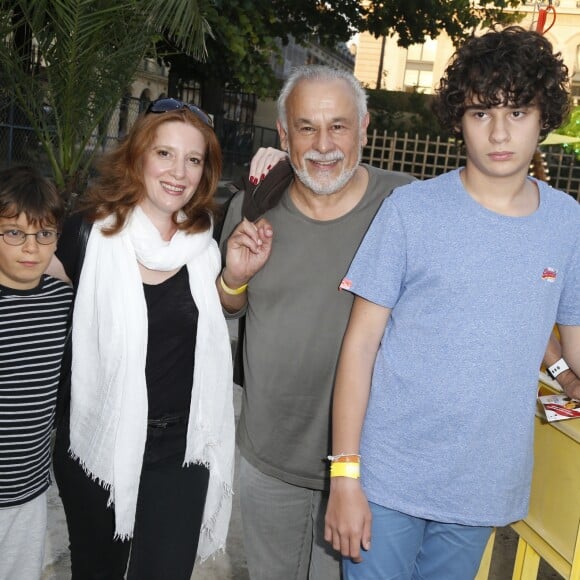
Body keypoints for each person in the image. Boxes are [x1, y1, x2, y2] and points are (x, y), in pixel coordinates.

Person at [324, 26, 580, 579]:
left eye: (518, 111)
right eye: (481, 113)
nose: (499, 132)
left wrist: (563, 369)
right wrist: (345, 475)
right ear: (458, 119)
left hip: (482, 484)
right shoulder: (410, 211)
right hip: (387, 477)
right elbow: (360, 345)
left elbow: (555, 332)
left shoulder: (568, 224)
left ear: (544, 117)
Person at [48, 98, 259, 579]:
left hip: (179, 450)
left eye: (193, 159)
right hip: (97, 439)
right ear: (138, 156)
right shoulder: (86, 233)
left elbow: (223, 306)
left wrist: (235, 278)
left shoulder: (205, 243)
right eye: (164, 154)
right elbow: (27, 295)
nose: (178, 172)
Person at [219, 65, 414, 579]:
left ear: (364, 128)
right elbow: (228, 308)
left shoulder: (408, 207)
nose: (323, 145)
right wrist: (233, 281)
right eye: (306, 127)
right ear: (283, 134)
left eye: (338, 126)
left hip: (366, 469)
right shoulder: (252, 206)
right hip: (269, 459)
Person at [0, 166, 73, 580]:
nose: (31, 248)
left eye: (44, 234)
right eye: (14, 233)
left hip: (28, 493)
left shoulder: (62, 299)